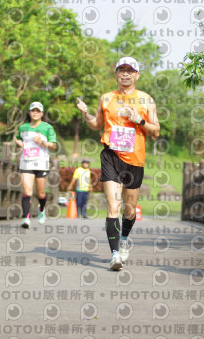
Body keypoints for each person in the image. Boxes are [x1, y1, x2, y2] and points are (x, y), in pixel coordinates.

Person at [75, 56, 160, 270]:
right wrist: (85, 114)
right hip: (111, 156)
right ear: (115, 74)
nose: (125, 73)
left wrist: (138, 120)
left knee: (129, 210)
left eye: (130, 70)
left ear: (137, 75)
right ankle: (114, 254)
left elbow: (156, 132)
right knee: (113, 206)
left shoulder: (146, 100)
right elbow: (97, 125)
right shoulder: (106, 98)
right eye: (121, 69)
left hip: (135, 160)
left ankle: (123, 239)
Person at [14, 101, 57, 229]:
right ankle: (25, 218)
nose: (35, 113)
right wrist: (19, 143)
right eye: (33, 110)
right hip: (26, 162)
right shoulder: (23, 127)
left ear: (42, 113)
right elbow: (20, 140)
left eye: (38, 111)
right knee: (27, 191)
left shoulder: (47, 127)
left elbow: (54, 145)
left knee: (41, 193)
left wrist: (42, 142)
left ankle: (41, 209)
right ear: (29, 112)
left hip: (41, 163)